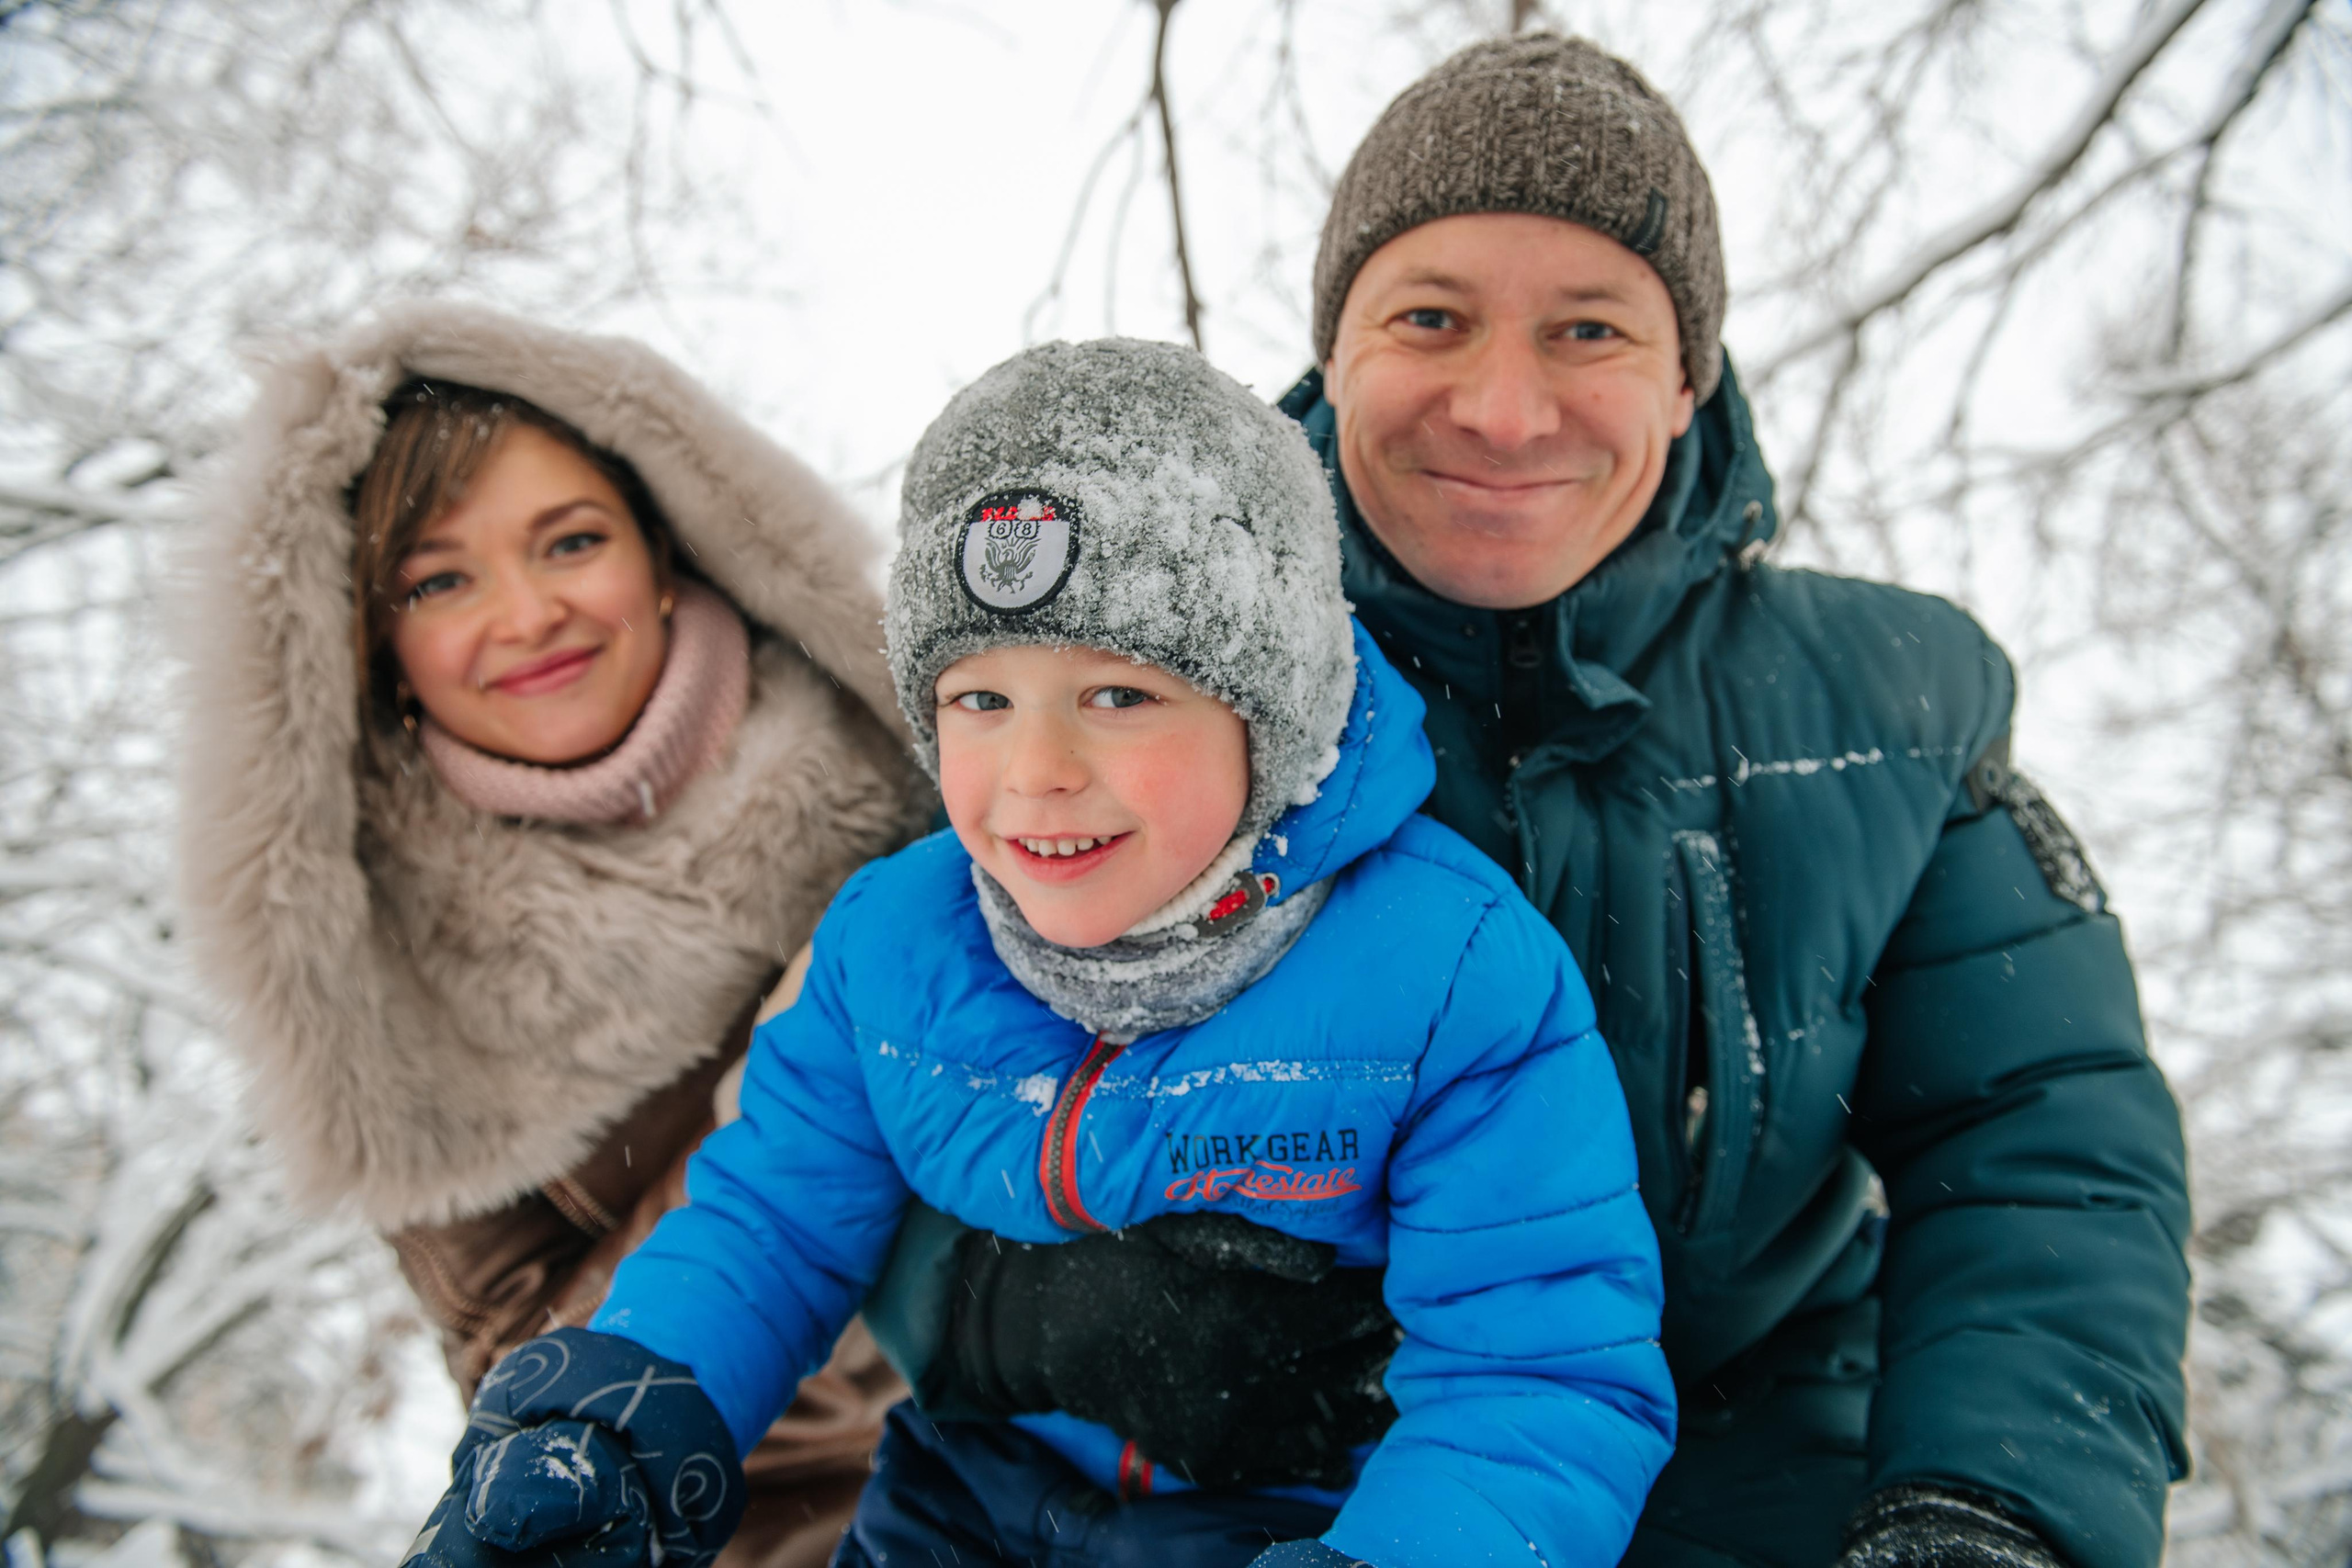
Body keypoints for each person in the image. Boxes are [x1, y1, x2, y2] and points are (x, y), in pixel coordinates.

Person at [865, 35, 2193, 1568]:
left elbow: (2040, 1149)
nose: (1505, 409)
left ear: (1690, 376)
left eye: (1590, 330)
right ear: (1334, 353)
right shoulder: (1113, 658)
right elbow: (863, 1073)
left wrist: (1991, 1507)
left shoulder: (1887, 706)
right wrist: (1008, 1309)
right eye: (1431, 318)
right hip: (1246, 1509)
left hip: (1750, 1484)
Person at [398, 338, 1676, 1568]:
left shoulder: (1446, 980)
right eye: (980, 701)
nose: (1038, 774)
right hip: (957, 1504)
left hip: (1287, 1526)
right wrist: (624, 1413)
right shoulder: (896, 945)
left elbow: (1538, 1374)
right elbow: (770, 1225)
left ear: (1270, 711)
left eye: (1118, 695)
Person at [175, 301, 934, 1568]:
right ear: (379, 647)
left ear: (665, 548)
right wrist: (807, 1082)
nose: (525, 615)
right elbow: (537, 1382)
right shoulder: (396, 993)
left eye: (569, 541)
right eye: (440, 578)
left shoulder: (936, 762)